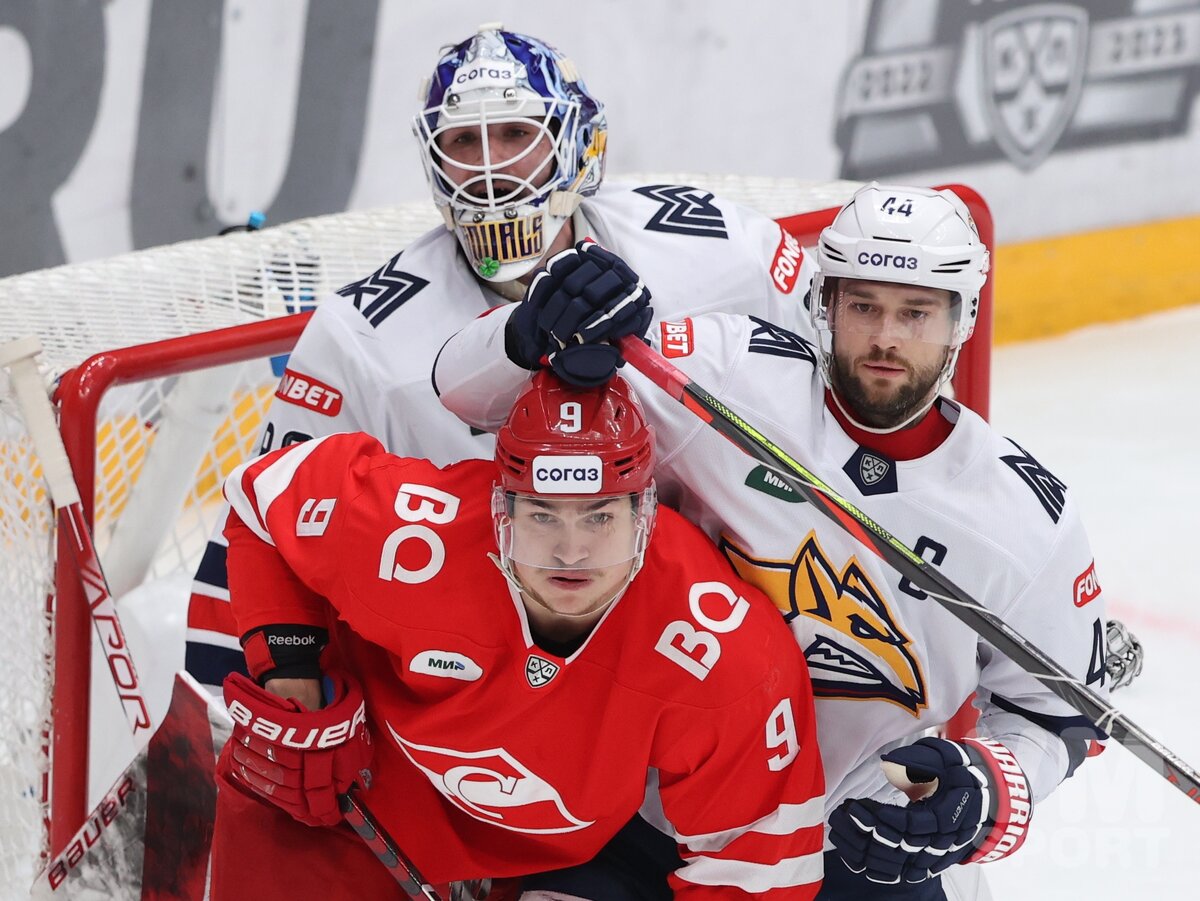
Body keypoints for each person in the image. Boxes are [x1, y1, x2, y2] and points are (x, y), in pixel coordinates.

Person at [433, 184, 1112, 900]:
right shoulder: (726, 375)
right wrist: (534, 327)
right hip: (645, 817)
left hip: (856, 848)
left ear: (962, 317)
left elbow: (1060, 715)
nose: (885, 337)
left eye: (915, 312)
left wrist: (987, 788)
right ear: (825, 304)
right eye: (863, 307)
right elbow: (463, 392)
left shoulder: (1025, 515)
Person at [185, 23, 817, 692]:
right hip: (487, 682)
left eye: (516, 134)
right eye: (463, 141)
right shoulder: (361, 338)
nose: (490, 170)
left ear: (575, 143)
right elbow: (264, 522)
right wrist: (279, 685)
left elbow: (841, 396)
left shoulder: (719, 249)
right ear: (435, 161)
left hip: (712, 641)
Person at [208, 371, 825, 899]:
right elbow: (263, 496)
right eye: (541, 514)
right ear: (501, 513)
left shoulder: (719, 652)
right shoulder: (418, 540)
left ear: (646, 515)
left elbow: (757, 869)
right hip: (339, 804)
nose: (571, 550)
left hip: (546, 867)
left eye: (601, 515)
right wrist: (292, 678)